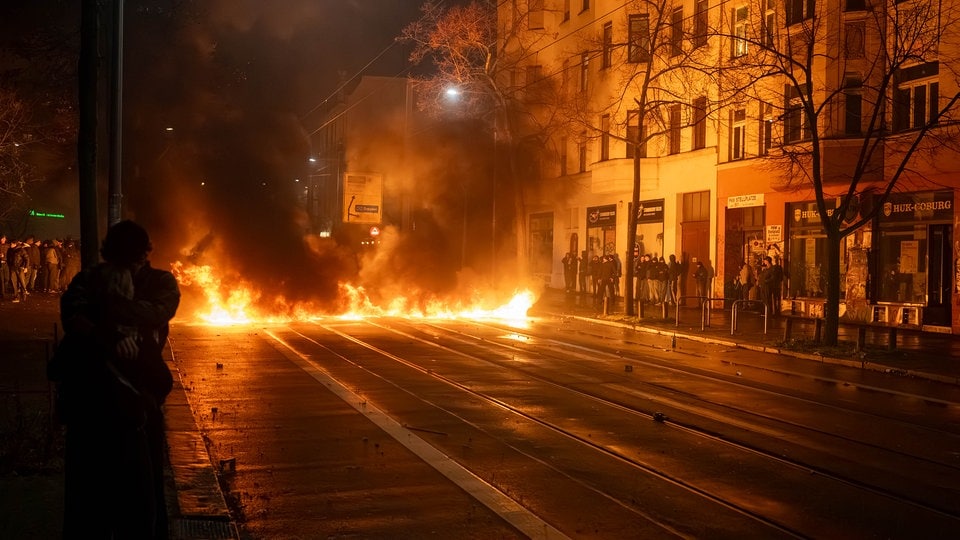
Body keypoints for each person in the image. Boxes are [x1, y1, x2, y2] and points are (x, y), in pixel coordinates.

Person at [55, 220, 180, 539]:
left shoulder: (157, 282)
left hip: (134, 401)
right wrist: (109, 334)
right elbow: (72, 317)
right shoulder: (89, 280)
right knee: (96, 501)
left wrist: (106, 313)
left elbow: (157, 312)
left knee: (139, 497)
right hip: (96, 398)